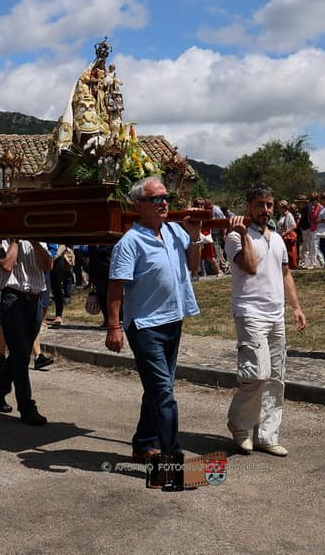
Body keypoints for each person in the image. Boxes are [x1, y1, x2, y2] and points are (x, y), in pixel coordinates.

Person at [104, 177, 201, 459]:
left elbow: (193, 266)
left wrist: (194, 236)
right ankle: (172, 457)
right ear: (139, 205)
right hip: (145, 327)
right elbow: (115, 287)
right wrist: (114, 326)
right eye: (156, 199)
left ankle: (144, 443)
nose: (164, 203)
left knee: (159, 389)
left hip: (173, 320)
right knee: (164, 394)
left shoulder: (173, 231)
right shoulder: (129, 243)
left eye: (166, 197)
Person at [225, 184, 307, 457]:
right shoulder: (235, 237)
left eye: (269, 205)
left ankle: (267, 436)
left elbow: (285, 274)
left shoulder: (279, 239)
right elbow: (249, 266)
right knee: (255, 376)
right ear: (249, 206)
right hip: (250, 313)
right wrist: (242, 234)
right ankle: (239, 425)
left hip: (276, 315)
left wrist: (295, 306)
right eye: (260, 204)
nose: (266, 210)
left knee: (275, 379)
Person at [0, 236, 53, 425]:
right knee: (21, 356)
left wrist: (36, 242)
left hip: (35, 300)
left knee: (19, 354)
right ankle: (26, 406)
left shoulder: (36, 240)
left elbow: (48, 265)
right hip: (12, 300)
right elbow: (6, 265)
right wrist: (14, 240)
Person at [276, 200, 298, 269]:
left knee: (289, 252)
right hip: (281, 236)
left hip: (286, 236)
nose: (278, 209)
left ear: (284, 208)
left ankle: (291, 266)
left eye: (279, 208)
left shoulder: (289, 215)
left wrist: (285, 233)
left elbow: (294, 226)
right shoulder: (282, 215)